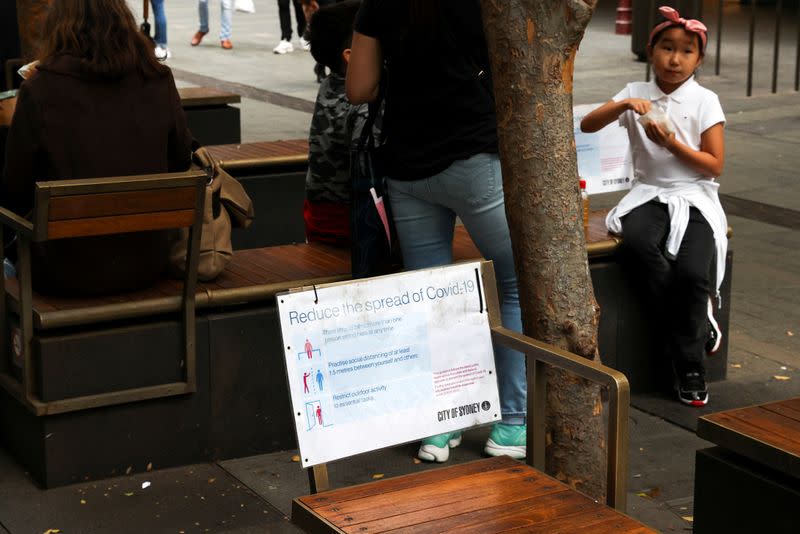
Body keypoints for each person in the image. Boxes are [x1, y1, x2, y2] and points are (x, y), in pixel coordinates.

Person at [346, 0, 526, 463]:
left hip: (408, 166)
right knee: (514, 283)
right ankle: (511, 425)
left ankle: (438, 428)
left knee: (431, 296)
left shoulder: (375, 6)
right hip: (475, 159)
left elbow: (359, 88)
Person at [580, 6, 726, 407]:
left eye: (686, 52)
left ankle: (690, 364)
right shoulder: (636, 92)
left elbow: (714, 165)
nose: (674, 59)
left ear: (698, 59)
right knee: (639, 245)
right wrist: (625, 106)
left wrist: (671, 144)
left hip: (694, 195)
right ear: (651, 50)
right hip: (648, 193)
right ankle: (694, 331)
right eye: (666, 48)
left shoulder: (705, 100)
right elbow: (588, 124)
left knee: (695, 271)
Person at [2, 0, 193, 296]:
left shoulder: (39, 90)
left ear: (58, 26)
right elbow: (181, 161)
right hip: (146, 264)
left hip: (63, 273)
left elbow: (14, 191)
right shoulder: (158, 79)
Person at [304, 0, 369, 247]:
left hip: (320, 216)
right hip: (348, 225)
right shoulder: (359, 103)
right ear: (350, 56)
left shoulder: (329, 85)